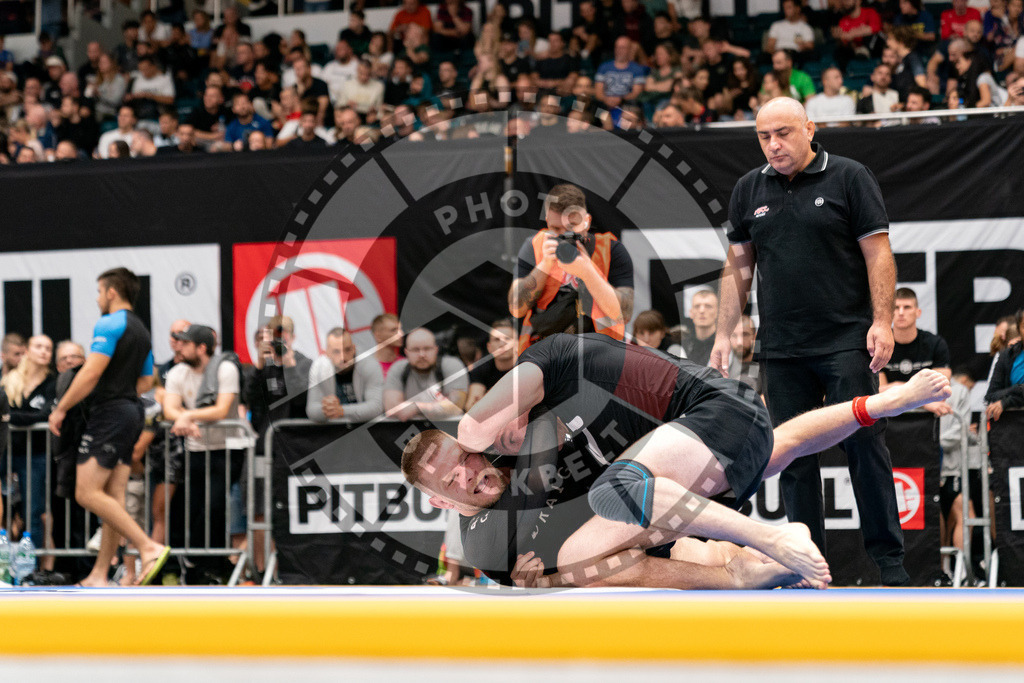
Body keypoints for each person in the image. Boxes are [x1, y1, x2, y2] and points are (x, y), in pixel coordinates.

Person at [403, 333, 951, 587]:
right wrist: (533, 582)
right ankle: (880, 402)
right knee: (771, 453)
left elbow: (477, 426)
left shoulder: (545, 371)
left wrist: (550, 575)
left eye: (469, 460)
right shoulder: (482, 529)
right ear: (436, 499)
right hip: (704, 435)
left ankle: (761, 546)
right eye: (456, 478)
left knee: (611, 503)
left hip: (706, 417)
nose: (474, 471)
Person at [710, 97, 908, 586]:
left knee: (864, 442)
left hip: (845, 339)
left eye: (784, 133)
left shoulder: (848, 176)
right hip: (781, 347)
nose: (774, 145)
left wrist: (881, 322)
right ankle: (809, 568)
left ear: (809, 129)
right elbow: (738, 266)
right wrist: (722, 332)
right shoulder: (747, 188)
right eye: (764, 136)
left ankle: (890, 564)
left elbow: (878, 255)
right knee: (792, 455)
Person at [48, 268, 169, 587]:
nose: (99, 299)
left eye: (100, 292)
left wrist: (61, 408)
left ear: (112, 292)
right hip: (131, 412)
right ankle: (99, 574)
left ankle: (148, 546)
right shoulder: (140, 329)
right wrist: (120, 387)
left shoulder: (110, 323)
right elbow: (146, 380)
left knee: (86, 492)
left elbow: (89, 373)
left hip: (111, 415)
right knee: (113, 496)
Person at [508, 183, 634, 351]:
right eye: (556, 229)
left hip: (600, 350)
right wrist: (544, 266)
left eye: (571, 227)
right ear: (547, 222)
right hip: (544, 350)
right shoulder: (534, 246)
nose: (564, 235)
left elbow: (623, 314)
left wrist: (587, 270)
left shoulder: (611, 249)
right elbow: (516, 308)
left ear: (587, 222)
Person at [160, 323, 241, 579]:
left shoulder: (226, 368)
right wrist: (184, 418)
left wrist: (186, 417)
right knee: (194, 509)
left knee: (215, 507)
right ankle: (203, 566)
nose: (178, 347)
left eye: (185, 343)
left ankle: (212, 564)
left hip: (228, 448)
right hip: (196, 448)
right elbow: (168, 408)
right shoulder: (177, 372)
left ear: (201, 347)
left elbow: (220, 409)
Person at [1, 335, 55, 543]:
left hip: (35, 455)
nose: (43, 351)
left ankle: (32, 568)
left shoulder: (53, 382)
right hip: (6, 452)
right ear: (27, 351)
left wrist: (8, 417)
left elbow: (43, 416)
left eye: (48, 348)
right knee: (4, 510)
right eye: (38, 346)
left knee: (33, 512)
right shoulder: (10, 379)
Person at [881, 288, 952, 404]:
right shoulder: (880, 345)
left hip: (928, 416)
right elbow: (877, 394)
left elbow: (941, 390)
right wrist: (923, 402)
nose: (901, 312)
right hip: (888, 414)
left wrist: (895, 387)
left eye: (907, 307)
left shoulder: (936, 344)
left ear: (918, 312)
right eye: (896, 307)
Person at [384, 328, 467, 421]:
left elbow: (456, 406)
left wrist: (417, 407)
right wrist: (437, 408)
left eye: (427, 349)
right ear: (406, 352)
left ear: (436, 350)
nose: (422, 354)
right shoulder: (399, 368)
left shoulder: (451, 365)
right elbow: (392, 408)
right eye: (415, 350)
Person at [306, 327, 384, 422]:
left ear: (354, 349)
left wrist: (341, 411)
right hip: (334, 432)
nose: (343, 357)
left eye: (347, 350)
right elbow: (311, 409)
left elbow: (376, 407)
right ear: (327, 353)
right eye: (336, 352)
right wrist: (326, 410)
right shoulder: (319, 367)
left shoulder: (369, 364)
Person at [465, 320, 517, 412]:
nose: (502, 344)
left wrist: (486, 399)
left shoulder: (526, 365)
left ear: (517, 344)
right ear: (489, 347)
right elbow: (471, 406)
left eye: (507, 339)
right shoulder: (481, 369)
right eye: (496, 340)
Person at [984, 309, 1024, 422]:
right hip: (1013, 429)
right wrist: (1018, 390)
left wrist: (1007, 401)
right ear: (1018, 330)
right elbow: (990, 395)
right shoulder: (1006, 356)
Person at [682, 289, 717, 366]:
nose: (702, 310)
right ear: (691, 312)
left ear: (718, 312)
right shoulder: (683, 346)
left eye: (708, 306)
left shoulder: (726, 345)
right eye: (697, 306)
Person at [728, 315, 762, 394]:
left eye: (745, 334)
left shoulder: (756, 366)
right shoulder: (729, 366)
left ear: (755, 337)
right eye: (734, 335)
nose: (739, 342)